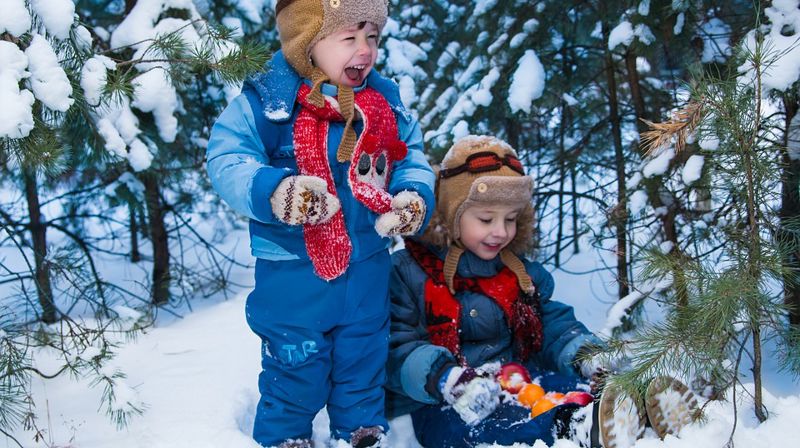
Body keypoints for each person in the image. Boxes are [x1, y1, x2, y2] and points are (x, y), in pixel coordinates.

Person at [206, 1, 435, 447]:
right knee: (295, 375)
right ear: (306, 44)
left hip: (367, 273)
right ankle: (287, 439)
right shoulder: (269, 102)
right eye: (349, 37)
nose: (365, 49)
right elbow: (227, 157)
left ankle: (360, 435)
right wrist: (274, 189)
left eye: (371, 37)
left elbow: (412, 154)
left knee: (362, 366)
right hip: (294, 279)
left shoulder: (382, 103)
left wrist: (411, 195)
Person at [385, 135, 697, 447]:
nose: (500, 231)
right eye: (485, 219)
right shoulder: (410, 271)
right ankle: (575, 429)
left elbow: (551, 326)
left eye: (510, 220)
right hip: (447, 401)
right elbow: (398, 346)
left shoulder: (519, 273)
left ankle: (632, 411)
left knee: (569, 386)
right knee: (484, 432)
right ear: (451, 216)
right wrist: (445, 377)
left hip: (520, 377)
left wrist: (583, 354)